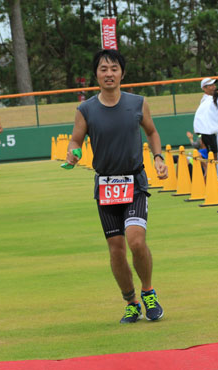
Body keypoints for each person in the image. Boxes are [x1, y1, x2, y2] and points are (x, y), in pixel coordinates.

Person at [65, 49, 168, 324]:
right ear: (96, 74)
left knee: (136, 240)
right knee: (116, 249)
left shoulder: (138, 103)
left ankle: (148, 292)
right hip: (106, 185)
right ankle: (131, 302)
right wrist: (72, 153)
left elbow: (152, 132)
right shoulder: (85, 109)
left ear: (122, 73)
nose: (109, 74)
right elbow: (75, 140)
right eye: (103, 69)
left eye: (114, 69)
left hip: (134, 182)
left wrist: (158, 157)